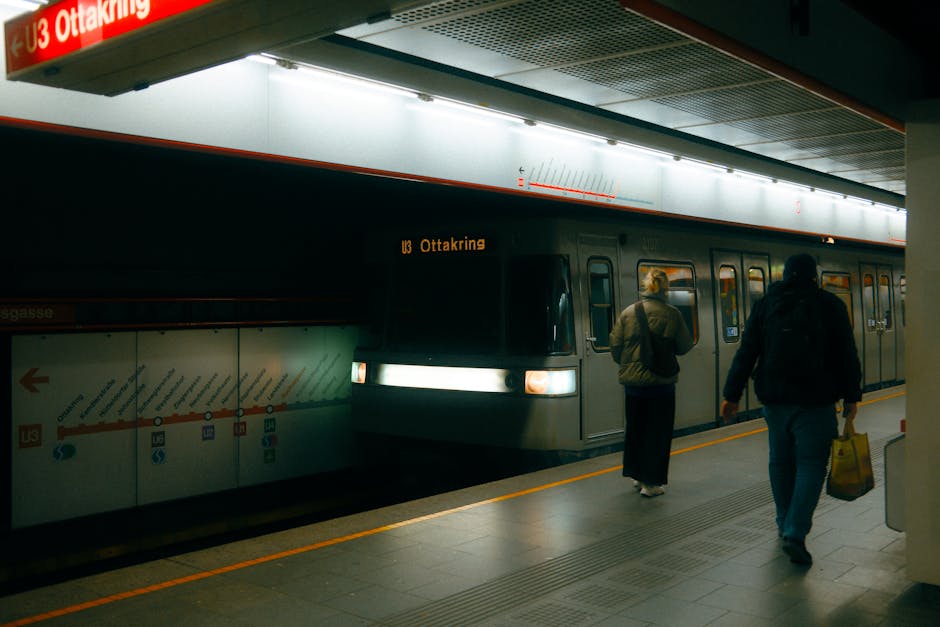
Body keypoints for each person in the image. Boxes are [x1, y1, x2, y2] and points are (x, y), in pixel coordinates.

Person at [720, 253, 862, 566]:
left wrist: (731, 395)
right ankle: (795, 532)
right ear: (814, 276)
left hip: (775, 400)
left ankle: (783, 523)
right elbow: (846, 355)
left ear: (785, 275)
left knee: (780, 462)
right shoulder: (830, 305)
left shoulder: (766, 304)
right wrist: (852, 397)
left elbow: (747, 352)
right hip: (816, 400)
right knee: (811, 464)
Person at [610, 268, 693, 497]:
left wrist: (628, 362)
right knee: (658, 433)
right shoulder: (672, 314)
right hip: (661, 385)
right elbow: (685, 346)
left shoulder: (628, 313)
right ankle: (651, 484)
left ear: (646, 287)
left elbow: (615, 347)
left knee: (636, 429)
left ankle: (637, 476)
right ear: (665, 289)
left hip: (633, 387)